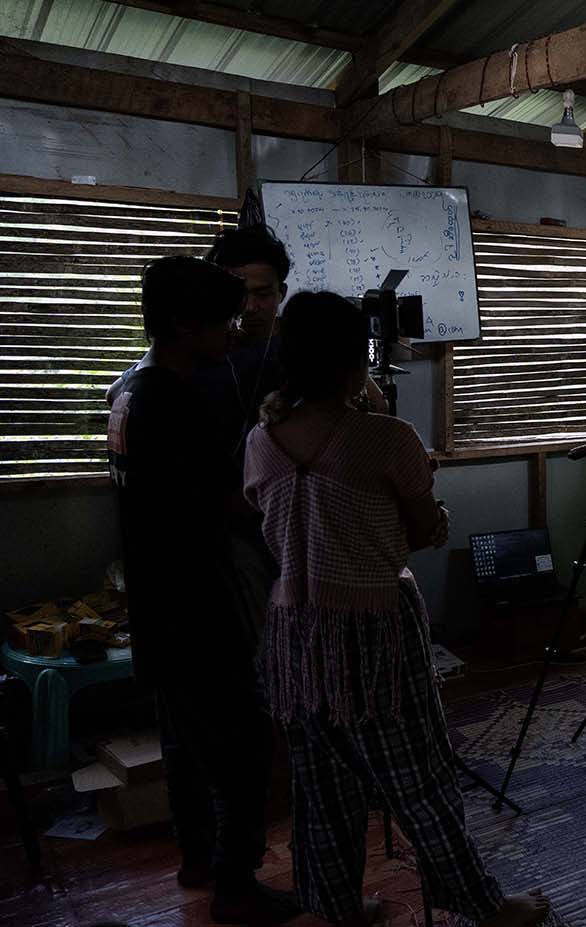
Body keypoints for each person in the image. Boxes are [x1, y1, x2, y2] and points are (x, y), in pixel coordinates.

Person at [242, 292, 551, 927]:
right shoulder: (386, 439)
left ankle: (335, 907)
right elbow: (420, 529)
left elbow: (274, 520)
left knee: (322, 788)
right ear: (358, 360)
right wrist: (432, 518)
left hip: (293, 634)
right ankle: (476, 902)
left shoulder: (260, 442)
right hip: (372, 628)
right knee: (422, 780)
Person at [106, 257, 297, 923]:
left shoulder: (128, 387)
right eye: (223, 319)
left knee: (190, 740)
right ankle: (236, 885)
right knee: (246, 744)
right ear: (186, 323)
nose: (234, 330)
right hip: (194, 600)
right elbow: (224, 503)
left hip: (158, 600)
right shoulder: (173, 400)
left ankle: (201, 858)